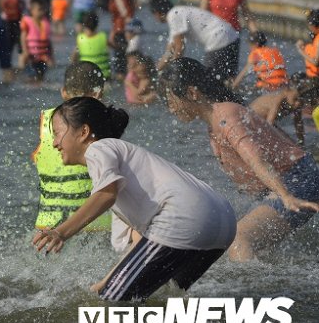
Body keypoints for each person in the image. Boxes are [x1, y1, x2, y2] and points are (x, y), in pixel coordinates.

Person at [32, 97, 236, 302]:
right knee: (164, 297)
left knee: (112, 306)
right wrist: (106, 283)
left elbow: (105, 195)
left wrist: (60, 232)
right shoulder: (125, 168)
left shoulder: (98, 148)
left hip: (184, 217)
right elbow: (140, 244)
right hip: (222, 224)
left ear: (84, 132)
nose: (55, 143)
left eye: (57, 133)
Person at [160, 58, 319, 261]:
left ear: (192, 93)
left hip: (296, 182)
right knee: (246, 246)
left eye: (171, 99)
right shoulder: (215, 122)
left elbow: (256, 160)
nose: (170, 107)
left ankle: (251, 290)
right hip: (282, 185)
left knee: (239, 240)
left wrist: (284, 195)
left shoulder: (226, 118)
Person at [32, 62, 113, 234]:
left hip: (47, 229)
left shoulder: (45, 120)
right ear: (99, 93)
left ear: (63, 92)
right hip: (96, 226)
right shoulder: (102, 122)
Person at [151, 0, 240, 81]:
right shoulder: (178, 12)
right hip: (232, 36)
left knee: (209, 80)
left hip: (219, 38)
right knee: (229, 80)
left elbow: (179, 47)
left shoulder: (173, 15)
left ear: (157, 13)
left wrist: (174, 70)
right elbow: (169, 52)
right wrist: (156, 70)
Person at [249, 73, 319, 147]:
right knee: (284, 142)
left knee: (291, 143)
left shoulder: (295, 104)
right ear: (287, 91)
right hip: (252, 120)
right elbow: (269, 124)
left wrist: (301, 143)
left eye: (301, 101)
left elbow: (299, 125)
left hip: (263, 122)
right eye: (296, 99)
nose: (298, 103)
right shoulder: (279, 99)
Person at [101, 0, 135, 80]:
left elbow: (127, 15)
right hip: (119, 31)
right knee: (120, 60)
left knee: (121, 62)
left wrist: (127, 34)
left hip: (123, 32)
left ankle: (124, 84)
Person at [20, 0, 53, 83]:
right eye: (39, 9)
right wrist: (25, 51)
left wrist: (51, 55)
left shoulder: (45, 22)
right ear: (32, 10)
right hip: (31, 56)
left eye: (43, 9)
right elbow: (23, 37)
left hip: (43, 57)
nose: (42, 12)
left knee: (41, 77)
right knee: (30, 77)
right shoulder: (27, 21)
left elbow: (48, 41)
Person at [71, 12, 111, 80]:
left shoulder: (80, 38)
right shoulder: (103, 37)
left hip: (86, 75)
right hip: (103, 75)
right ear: (97, 24)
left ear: (84, 24)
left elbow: (73, 58)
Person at [296, 9, 319, 80]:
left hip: (315, 79)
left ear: (314, 25)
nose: (309, 27)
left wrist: (301, 51)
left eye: (309, 24)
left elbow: (316, 62)